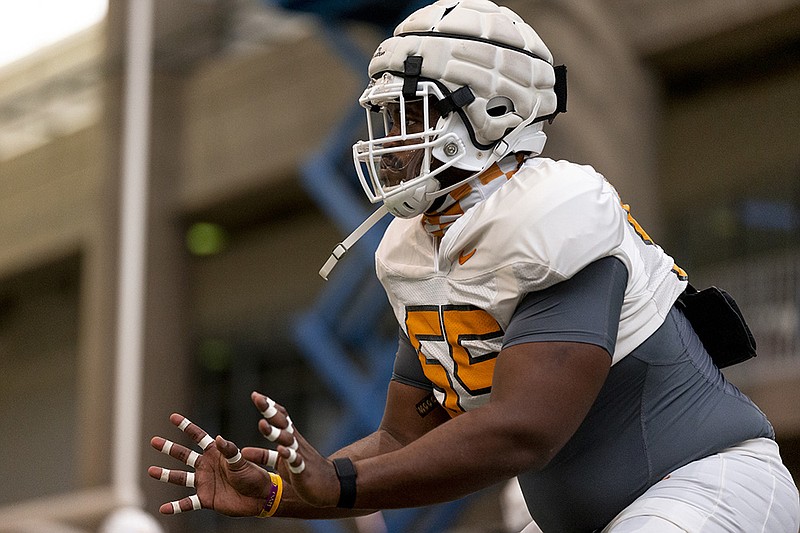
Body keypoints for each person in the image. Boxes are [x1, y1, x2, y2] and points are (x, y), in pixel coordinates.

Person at [148, 0, 800, 531]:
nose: (385, 140)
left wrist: (338, 482)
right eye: (381, 116)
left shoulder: (552, 210)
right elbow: (403, 443)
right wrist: (280, 489)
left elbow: (524, 430)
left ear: (492, 111)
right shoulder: (416, 247)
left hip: (705, 485)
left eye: (409, 114)